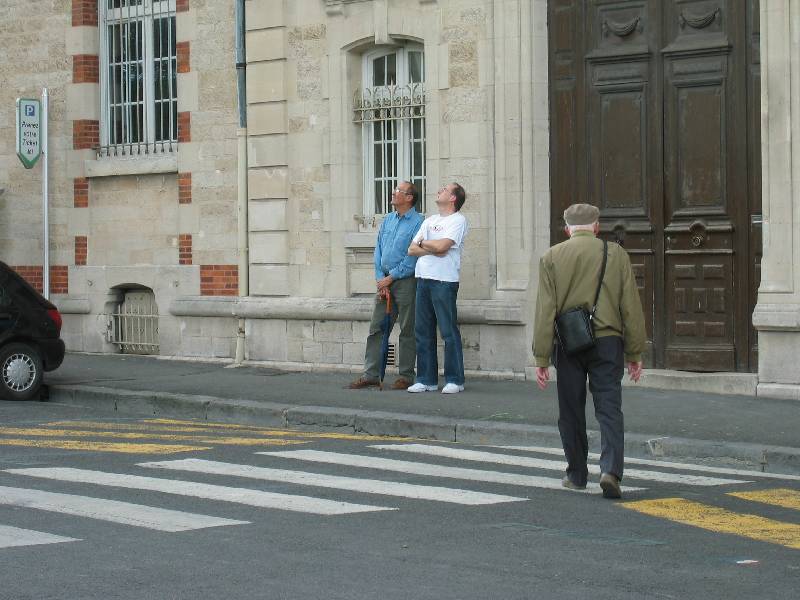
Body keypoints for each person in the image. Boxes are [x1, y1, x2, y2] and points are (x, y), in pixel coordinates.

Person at [532, 203, 646, 499]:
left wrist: (541, 356)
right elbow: (630, 306)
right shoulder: (616, 254)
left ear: (567, 229)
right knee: (609, 406)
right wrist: (634, 352)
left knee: (570, 409)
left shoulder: (551, 257)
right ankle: (611, 471)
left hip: (568, 342)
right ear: (596, 227)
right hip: (608, 341)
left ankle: (576, 474)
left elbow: (545, 310)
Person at [349, 182, 424, 390]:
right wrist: (380, 278)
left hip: (406, 281)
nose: (393, 192)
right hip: (384, 283)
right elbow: (378, 251)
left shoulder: (419, 222)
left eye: (398, 191)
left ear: (409, 197)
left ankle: (406, 376)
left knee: (408, 329)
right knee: (377, 328)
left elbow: (412, 257)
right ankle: (371, 374)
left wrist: (391, 278)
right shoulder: (388, 219)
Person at [406, 183, 469, 394]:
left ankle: (455, 380)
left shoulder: (458, 220)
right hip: (423, 279)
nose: (439, 190)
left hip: (444, 281)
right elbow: (412, 248)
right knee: (422, 331)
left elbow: (443, 247)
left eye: (444, 189)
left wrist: (426, 244)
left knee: (448, 331)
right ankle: (426, 380)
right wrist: (434, 248)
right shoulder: (430, 220)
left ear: (453, 198)